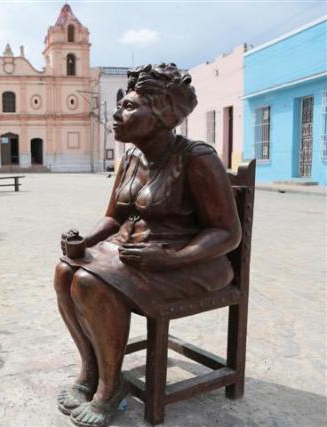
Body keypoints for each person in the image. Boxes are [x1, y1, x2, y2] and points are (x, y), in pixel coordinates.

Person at [54, 63, 241, 427]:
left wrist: (171, 258)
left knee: (91, 283)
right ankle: (92, 372)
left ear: (160, 115)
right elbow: (114, 217)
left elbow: (226, 233)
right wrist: (84, 241)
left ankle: (110, 388)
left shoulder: (197, 159)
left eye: (129, 106)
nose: (118, 111)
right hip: (136, 256)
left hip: (195, 263)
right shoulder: (131, 158)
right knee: (65, 271)